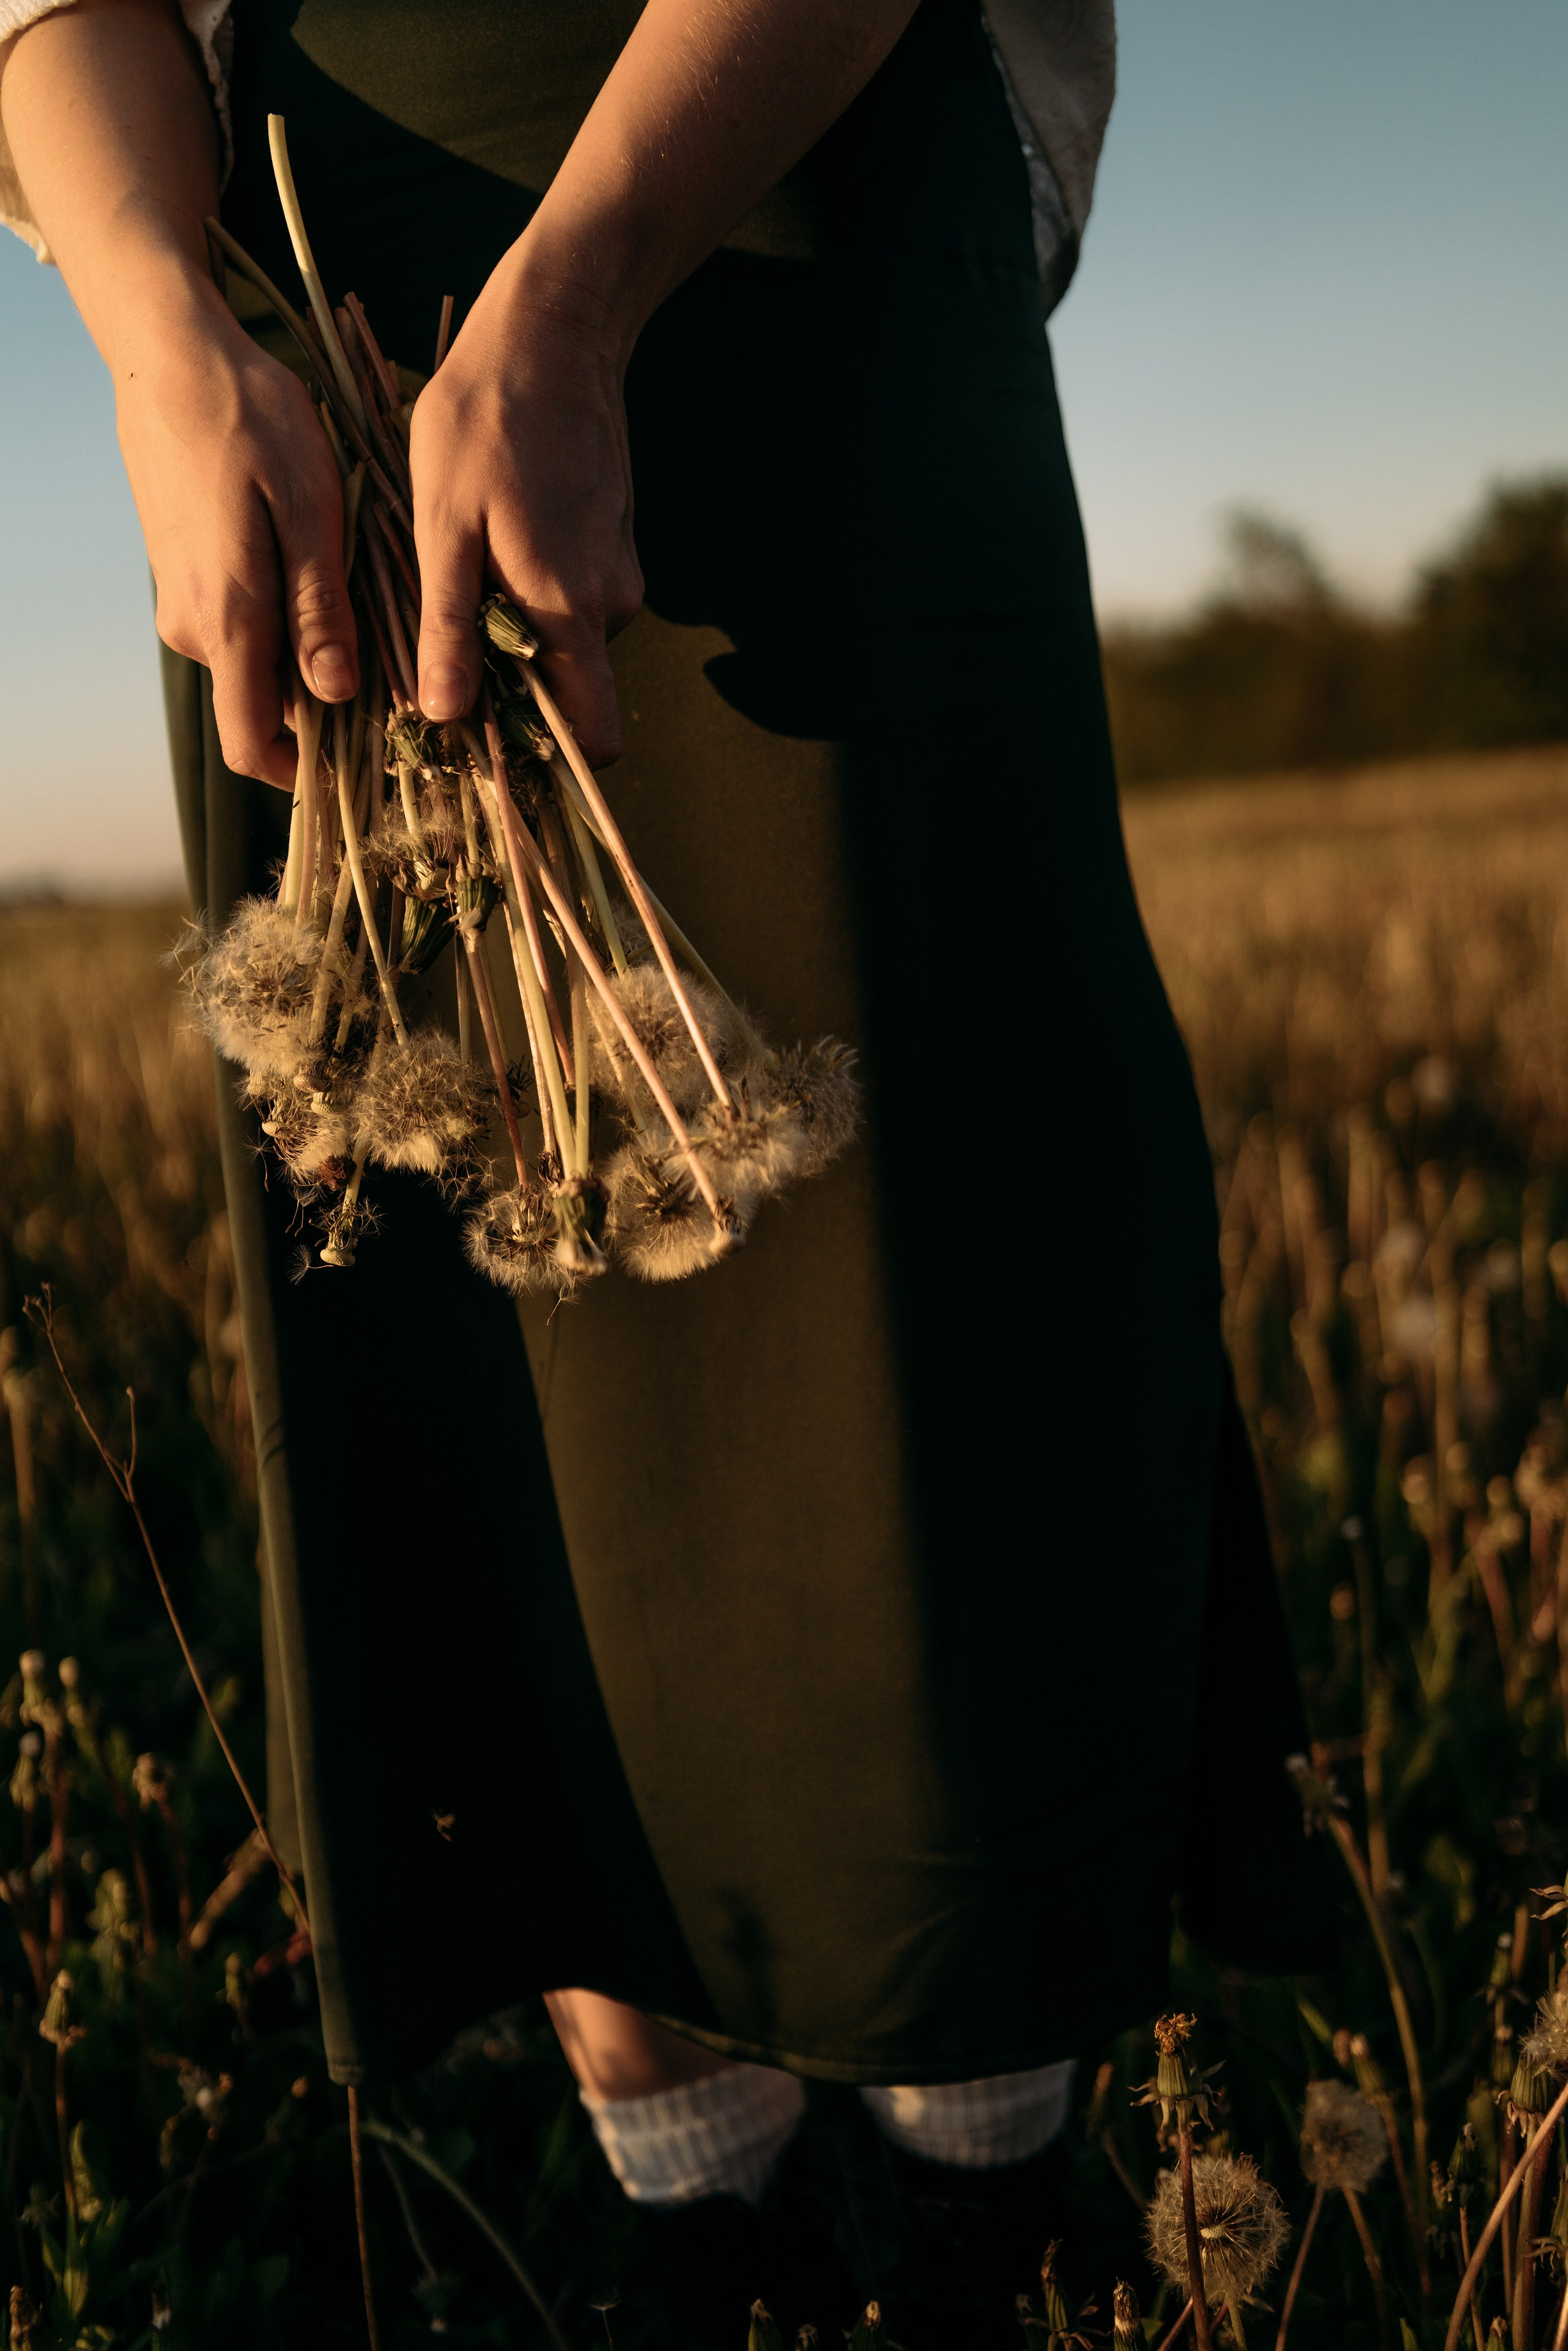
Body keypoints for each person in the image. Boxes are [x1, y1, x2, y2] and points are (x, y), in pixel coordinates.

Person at [0, 2, 1329, 2339]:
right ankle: (694, 2234)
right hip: (306, 372)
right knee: (518, 1399)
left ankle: (973, 2222)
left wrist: (589, 278)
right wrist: (157, 347)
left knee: (928, 1324)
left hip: (792, 211)